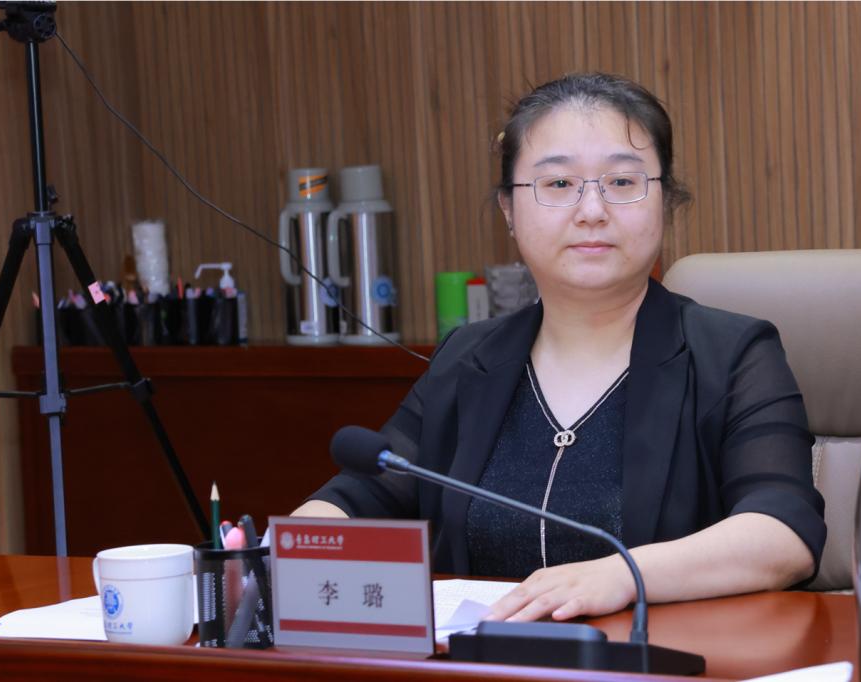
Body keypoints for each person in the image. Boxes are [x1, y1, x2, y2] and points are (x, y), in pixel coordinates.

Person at [294, 72, 825, 624]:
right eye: (558, 183)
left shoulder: (734, 354)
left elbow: (783, 531)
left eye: (623, 181)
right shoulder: (467, 359)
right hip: (485, 656)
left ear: (665, 202)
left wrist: (622, 575)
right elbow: (361, 496)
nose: (591, 210)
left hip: (661, 656)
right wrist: (288, 549)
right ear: (509, 209)